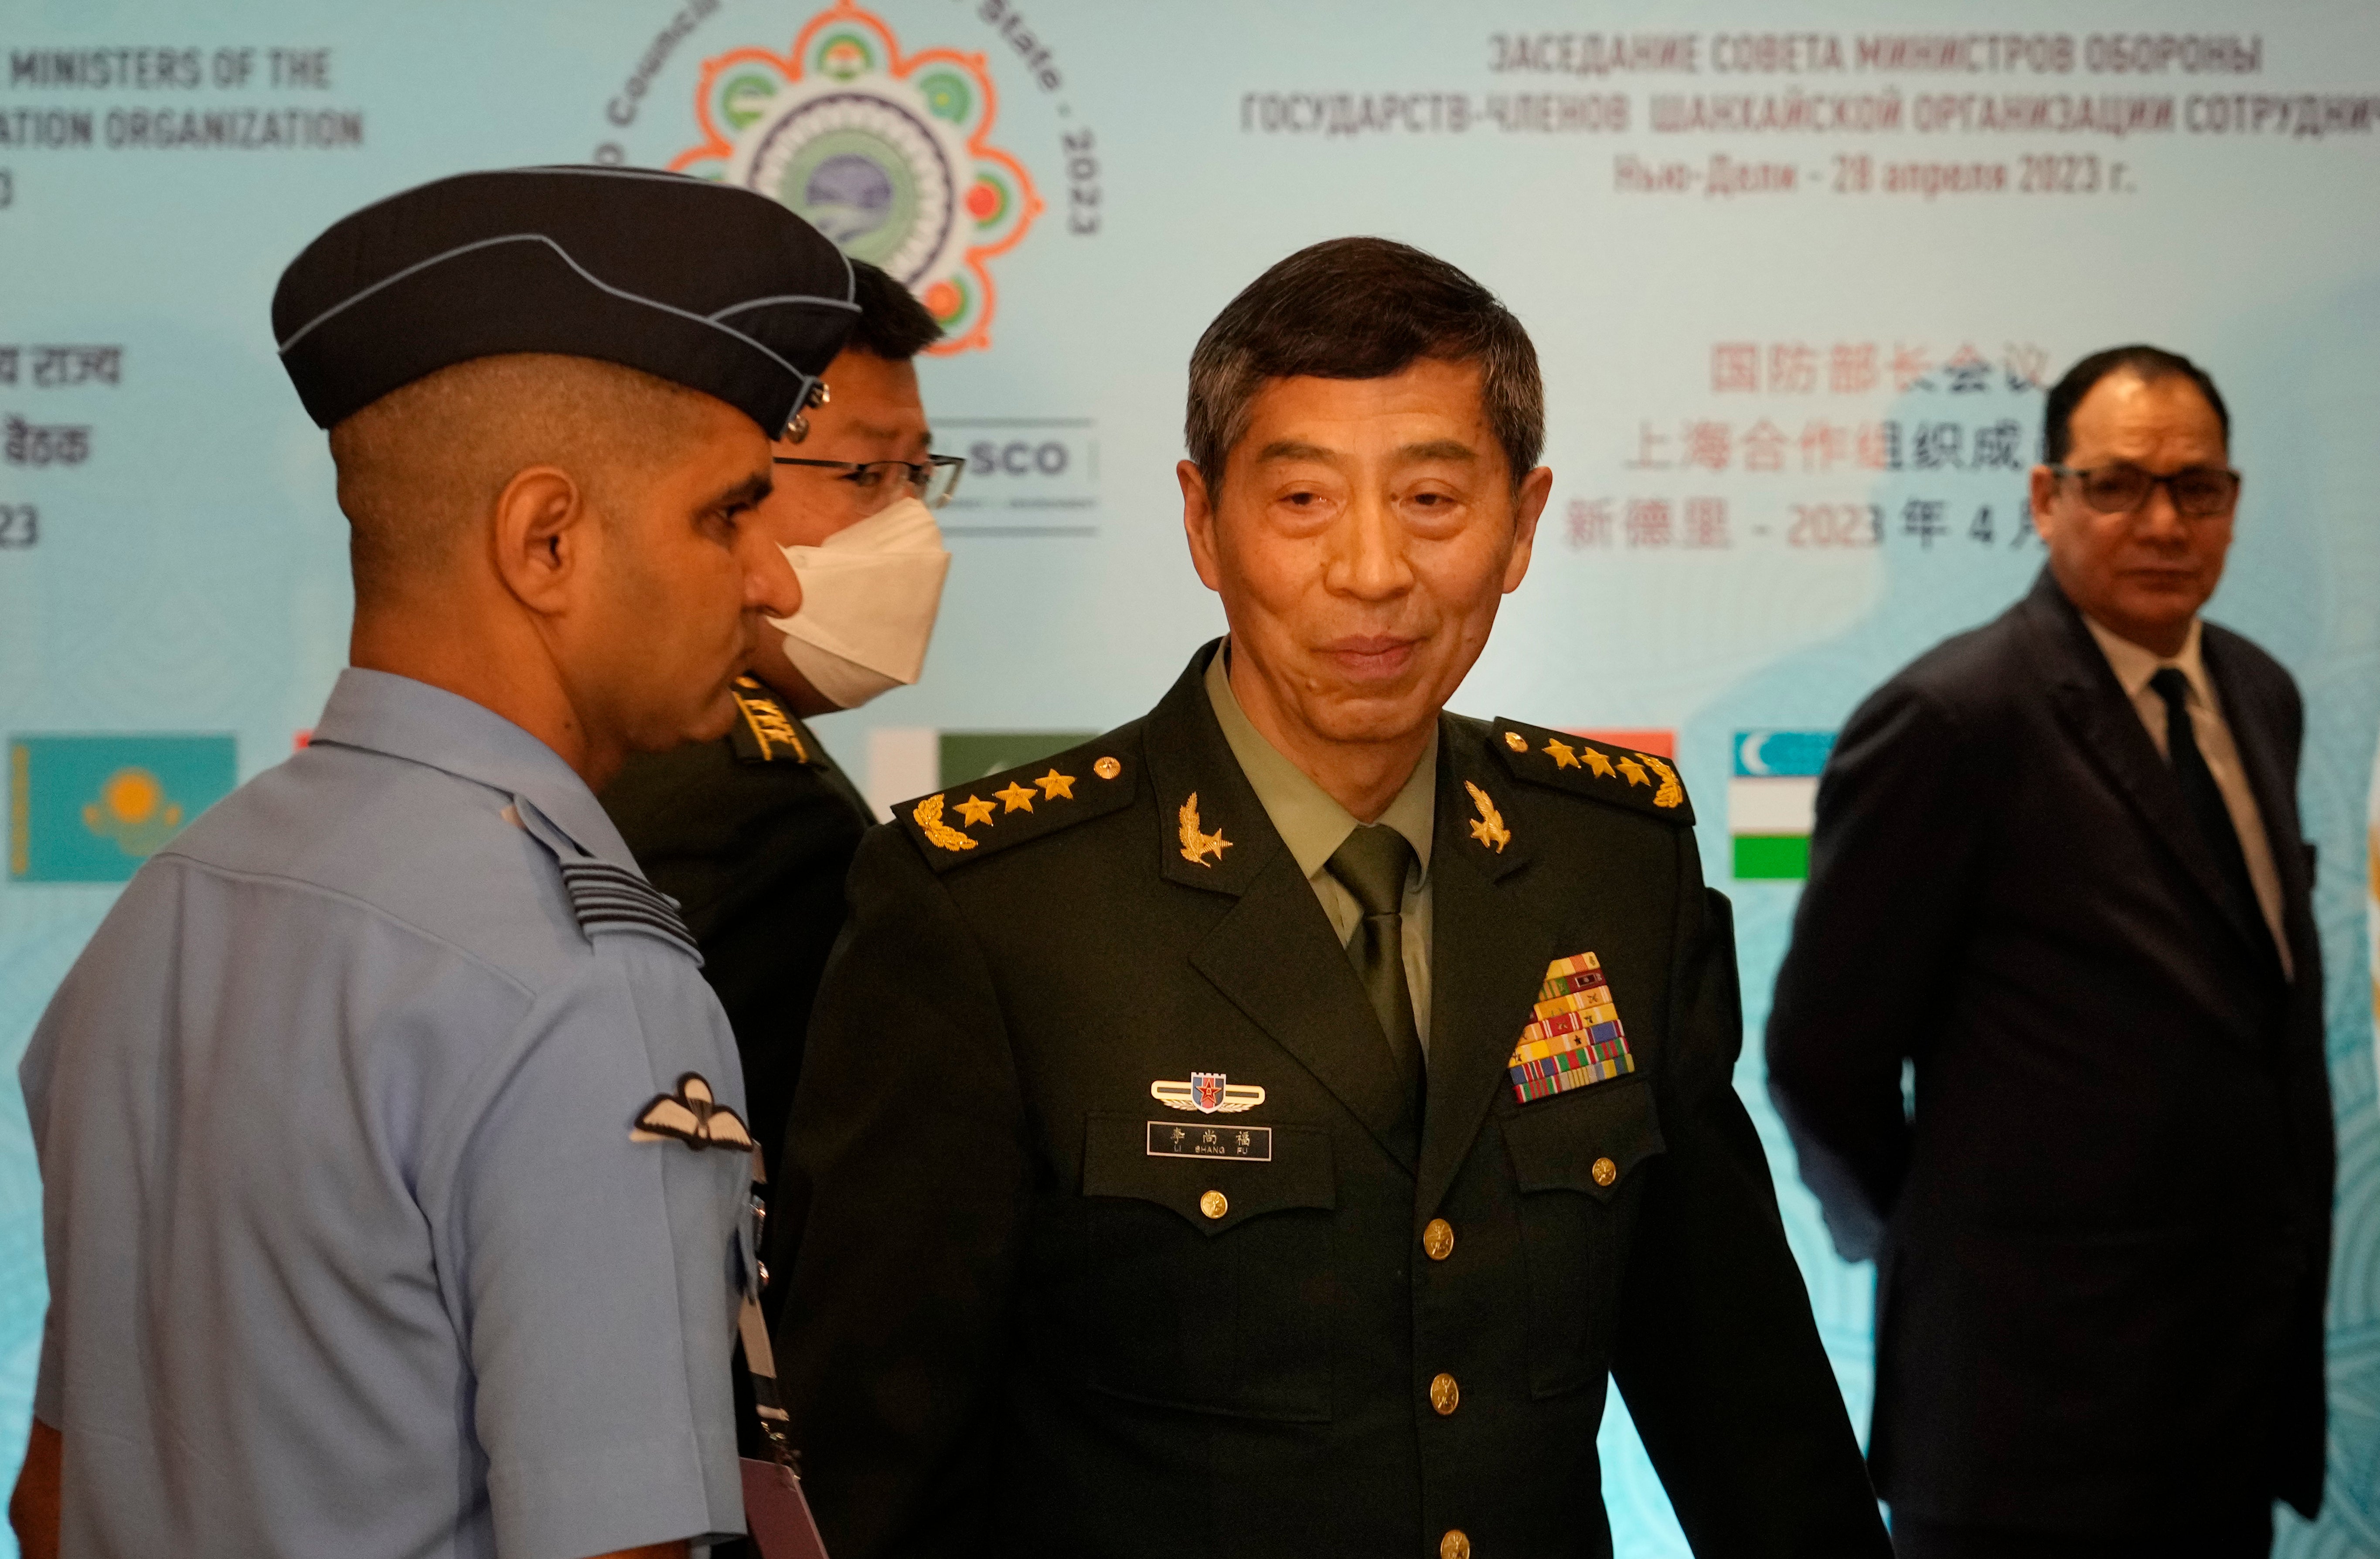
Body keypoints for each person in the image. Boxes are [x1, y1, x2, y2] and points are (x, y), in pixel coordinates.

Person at [775, 237, 1890, 1558]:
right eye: (1302, 501)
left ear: (1523, 523)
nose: (1372, 572)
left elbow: (1740, 1390)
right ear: (1202, 519)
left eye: (1431, 500)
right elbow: (872, 1472)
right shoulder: (993, 909)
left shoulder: (1609, 859)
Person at [8, 166, 857, 1559]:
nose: (770, 581)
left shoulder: (168, 907)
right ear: (546, 541)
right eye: (724, 514)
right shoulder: (581, 987)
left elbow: (51, 1503)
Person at [1766, 346, 2331, 1559]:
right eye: (2118, 485)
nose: (2163, 521)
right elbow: (1823, 1052)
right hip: (2023, 1427)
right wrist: (1940, 1243)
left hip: (2224, 1400)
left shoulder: (2260, 694)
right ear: (2044, 499)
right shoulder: (1953, 719)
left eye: (2198, 488)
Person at [602, 258, 953, 1219]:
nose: (910, 523)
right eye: (865, 473)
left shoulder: (649, 748)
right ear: (721, 479)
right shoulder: (755, 806)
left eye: (920, 476)